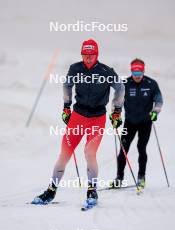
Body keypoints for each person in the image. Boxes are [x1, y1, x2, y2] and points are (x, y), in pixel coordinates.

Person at [32, 39, 125, 205]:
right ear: (82, 54)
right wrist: (66, 107)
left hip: (97, 118)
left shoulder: (106, 71)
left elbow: (120, 88)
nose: (88, 58)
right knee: (64, 154)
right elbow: (67, 85)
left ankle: (92, 191)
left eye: (91, 55)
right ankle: (51, 191)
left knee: (90, 153)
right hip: (78, 116)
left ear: (97, 55)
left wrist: (116, 111)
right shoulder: (75, 69)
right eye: (85, 55)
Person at [112, 58, 163, 189]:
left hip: (145, 122)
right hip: (130, 122)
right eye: (135, 73)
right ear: (131, 72)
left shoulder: (151, 84)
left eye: (139, 73)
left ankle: (141, 177)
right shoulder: (125, 84)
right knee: (123, 149)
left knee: (141, 148)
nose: (137, 76)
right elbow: (117, 102)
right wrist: (115, 115)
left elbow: (158, 100)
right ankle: (119, 177)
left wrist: (155, 112)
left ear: (143, 71)